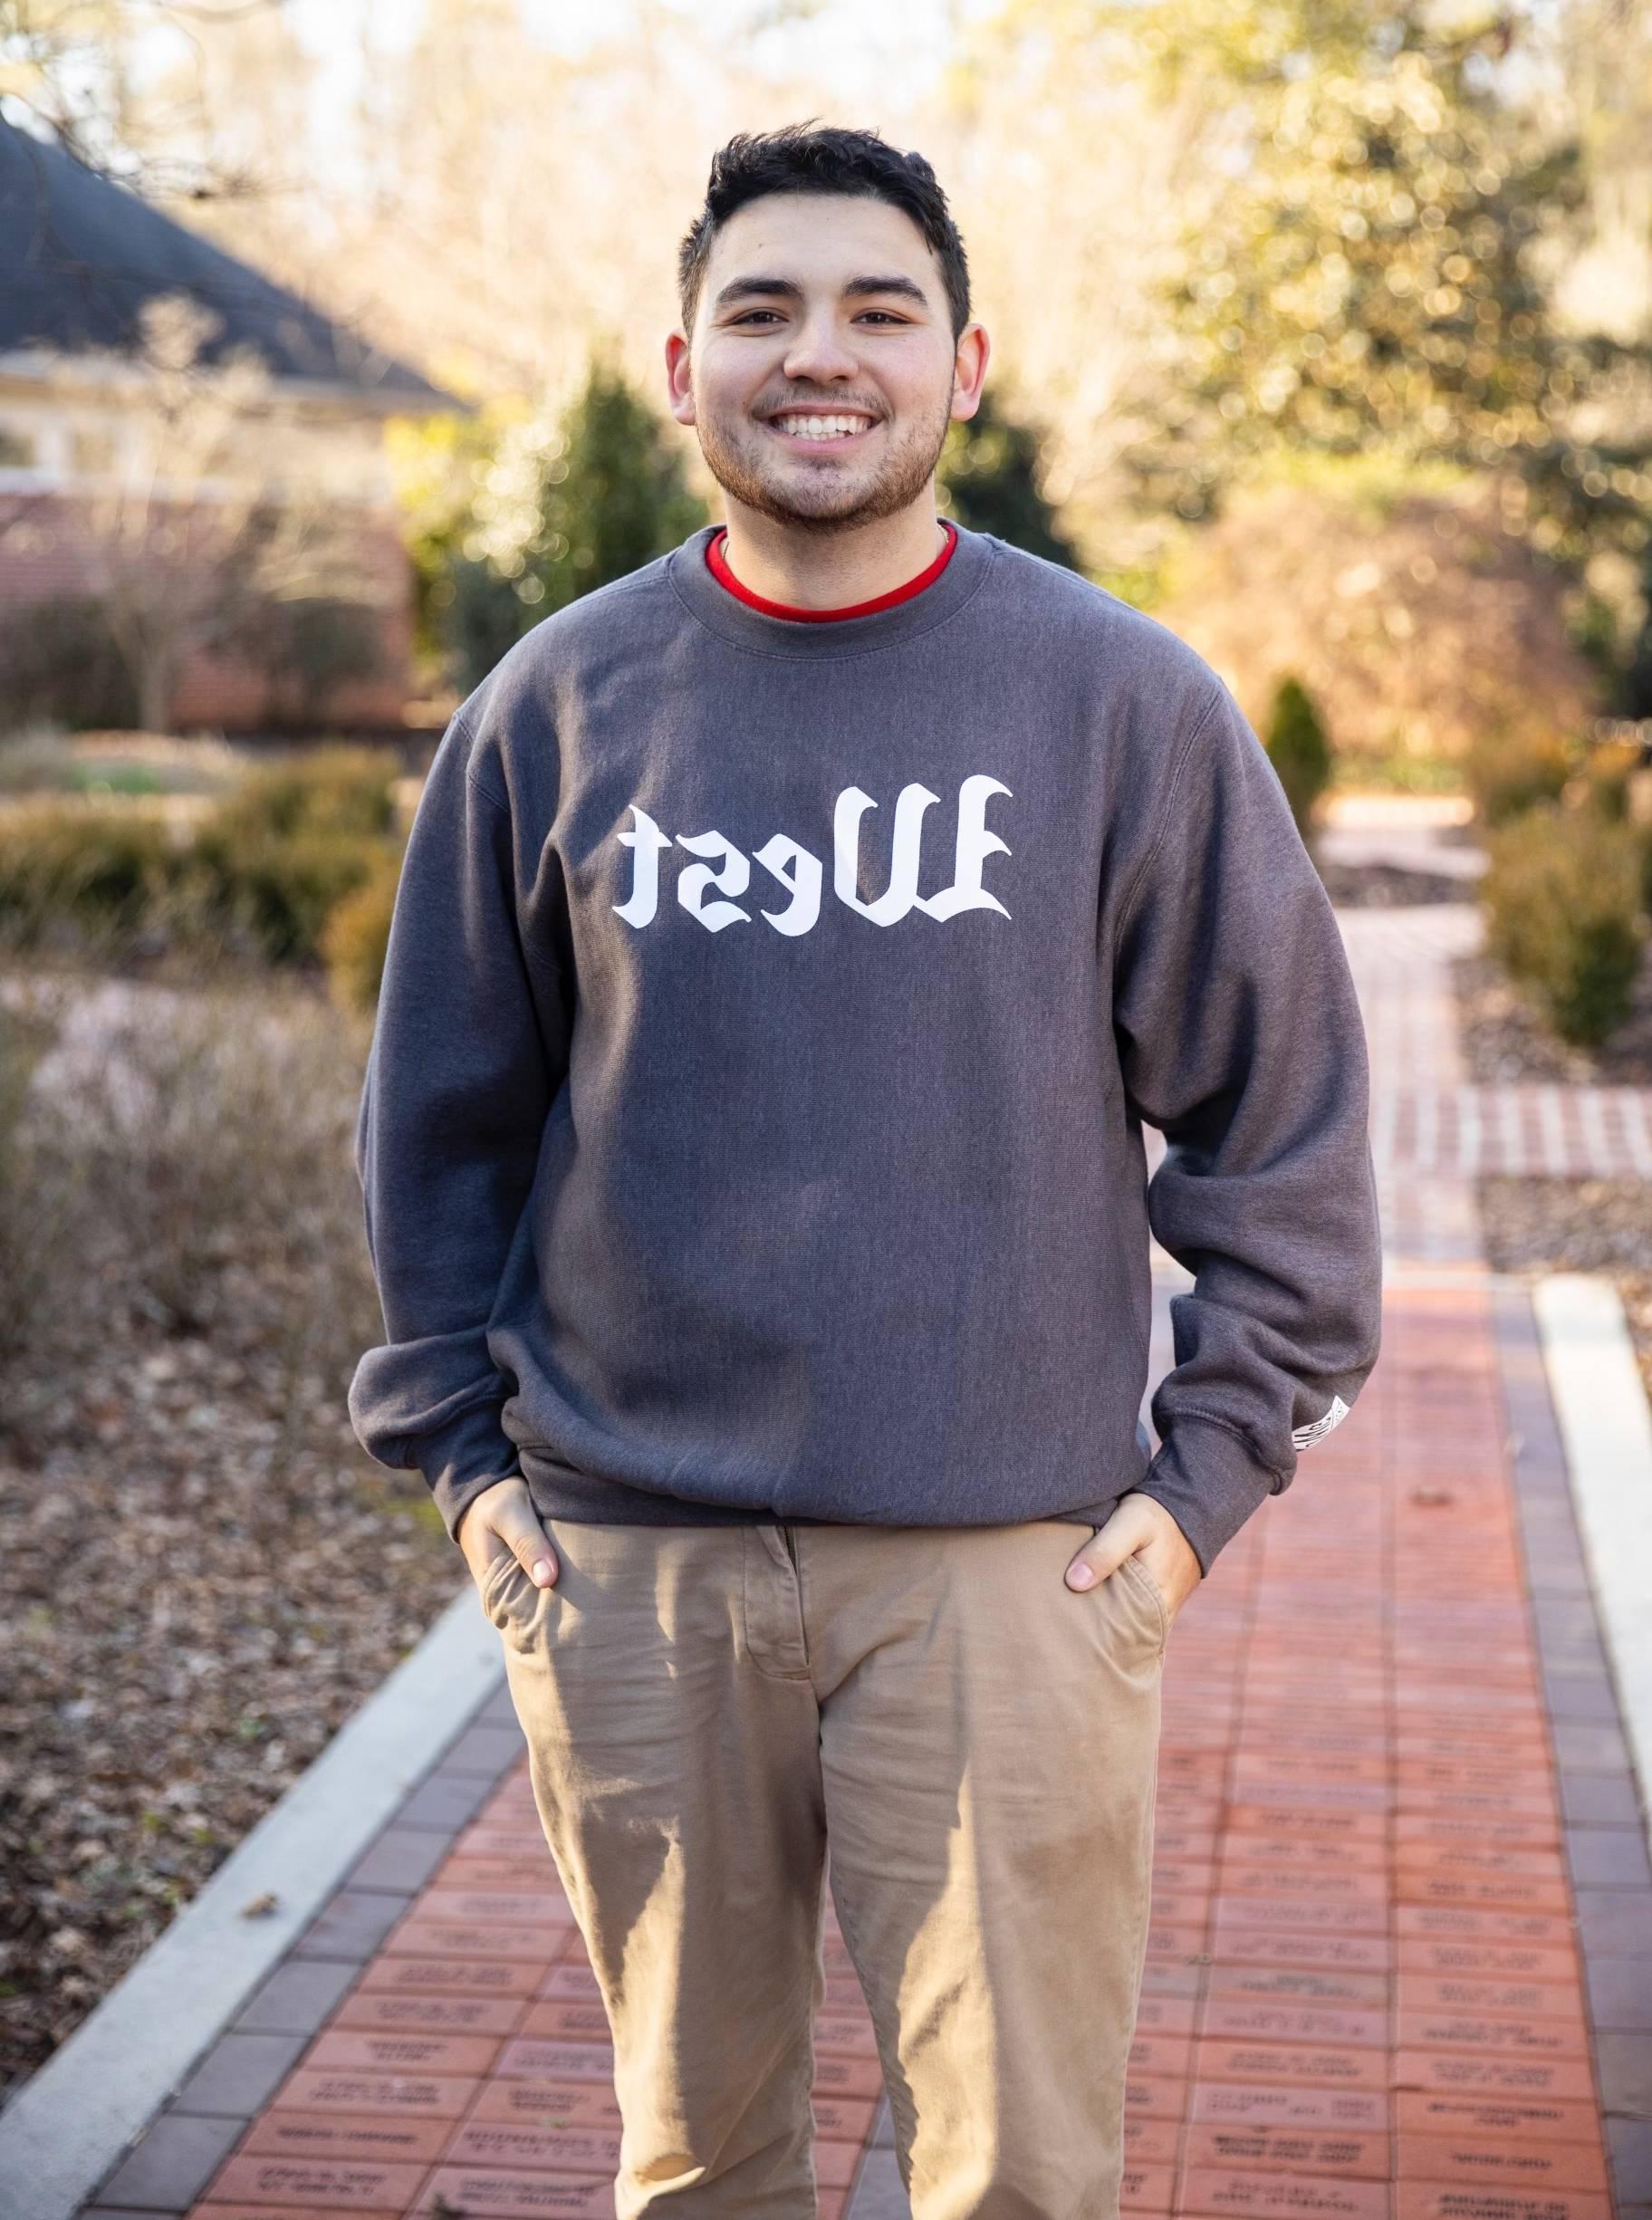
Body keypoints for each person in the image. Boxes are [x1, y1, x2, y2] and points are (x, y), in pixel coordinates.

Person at [349, 120, 1383, 2220]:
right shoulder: (556, 705)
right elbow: (436, 1127)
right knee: (695, 2164)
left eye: (875, 310)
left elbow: (1285, 1128)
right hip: (630, 1570)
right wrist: (469, 1468)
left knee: (1018, 2175)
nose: (818, 354)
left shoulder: (1121, 705)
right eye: (764, 310)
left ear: (964, 364)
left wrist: (1198, 1493)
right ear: (679, 366)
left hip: (1014, 1566)